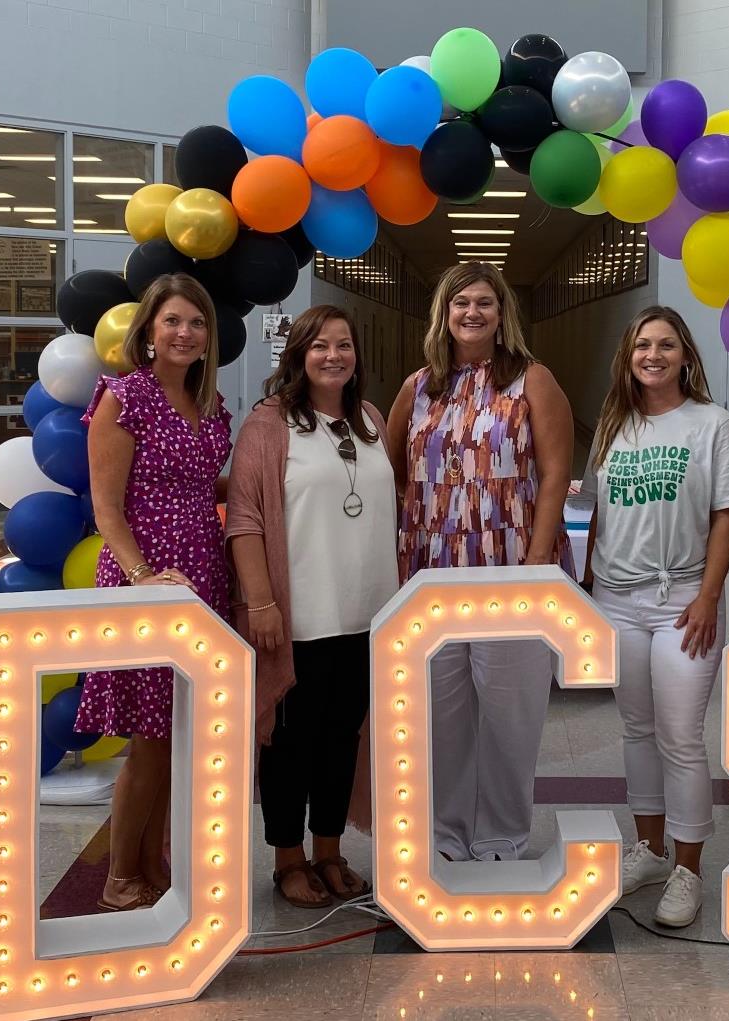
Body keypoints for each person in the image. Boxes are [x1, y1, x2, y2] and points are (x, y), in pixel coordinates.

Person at [387, 262, 574, 863]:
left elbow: (554, 475)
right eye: (460, 302)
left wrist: (539, 561)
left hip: (511, 569)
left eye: (485, 303)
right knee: (439, 715)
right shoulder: (417, 388)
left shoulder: (532, 380)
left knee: (509, 716)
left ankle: (501, 835)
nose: (472, 312)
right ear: (443, 314)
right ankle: (443, 836)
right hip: (431, 576)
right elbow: (389, 472)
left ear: (502, 315)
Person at [581, 306, 729, 928]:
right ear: (629, 355)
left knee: (680, 737)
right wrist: (591, 583)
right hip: (617, 600)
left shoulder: (713, 424)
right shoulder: (612, 425)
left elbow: (725, 516)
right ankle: (648, 849)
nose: (653, 355)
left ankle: (688, 868)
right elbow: (599, 512)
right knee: (636, 730)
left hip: (683, 601)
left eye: (666, 345)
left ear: (686, 356)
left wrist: (706, 596)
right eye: (642, 345)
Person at [227, 305, 397, 907]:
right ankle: (287, 858)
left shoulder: (370, 421)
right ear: (297, 355)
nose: (333, 356)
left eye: (344, 345)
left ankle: (329, 850)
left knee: (342, 738)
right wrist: (262, 602)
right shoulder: (269, 425)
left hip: (367, 616)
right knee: (290, 743)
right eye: (319, 345)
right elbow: (245, 519)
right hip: (297, 616)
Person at [74, 272, 232, 911]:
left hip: (204, 579)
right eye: (173, 320)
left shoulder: (211, 403)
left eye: (196, 322)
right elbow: (107, 508)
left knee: (181, 733)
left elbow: (205, 487)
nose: (185, 332)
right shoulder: (124, 396)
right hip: (149, 579)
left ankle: (154, 863)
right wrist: (143, 577)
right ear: (149, 329)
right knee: (149, 740)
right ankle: (119, 873)